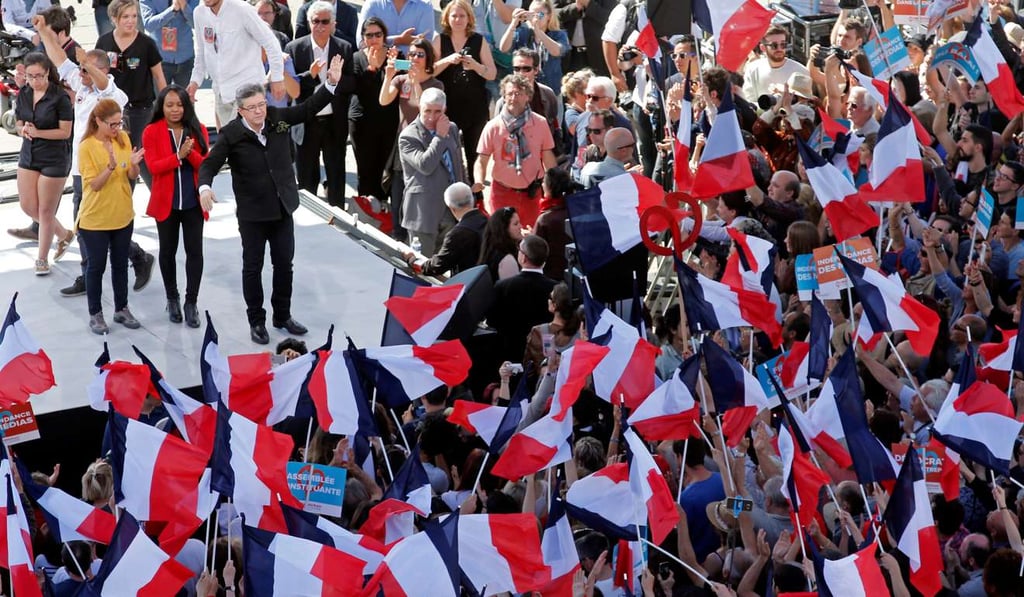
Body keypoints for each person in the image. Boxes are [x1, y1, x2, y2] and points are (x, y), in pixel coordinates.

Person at [197, 56, 344, 345]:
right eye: (252, 108)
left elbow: (306, 109)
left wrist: (331, 83)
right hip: (253, 214)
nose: (259, 112)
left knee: (284, 265)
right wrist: (204, 187)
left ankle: (283, 315)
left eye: (262, 105)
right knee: (252, 267)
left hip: (282, 208)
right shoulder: (232, 134)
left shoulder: (276, 119)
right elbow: (209, 164)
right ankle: (256, 321)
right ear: (240, 111)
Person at [37, 18, 133, 298]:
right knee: (84, 224)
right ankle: (90, 272)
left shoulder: (113, 93)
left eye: (86, 70)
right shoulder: (83, 86)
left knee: (105, 225)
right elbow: (59, 60)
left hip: (108, 171)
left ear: (100, 69)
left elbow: (101, 83)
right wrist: (44, 31)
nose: (80, 74)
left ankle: (127, 259)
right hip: (82, 170)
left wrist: (86, 63)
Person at [142, 85, 209, 328]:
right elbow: (153, 167)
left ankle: (191, 302)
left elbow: (205, 165)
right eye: (169, 105)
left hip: (192, 203)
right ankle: (172, 298)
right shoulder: (151, 131)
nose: (175, 110)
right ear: (161, 106)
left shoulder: (197, 130)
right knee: (167, 252)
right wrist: (179, 156)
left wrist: (190, 155)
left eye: (179, 105)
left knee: (195, 252)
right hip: (166, 203)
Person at [78, 99, 147, 334]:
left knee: (120, 265)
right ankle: (95, 313)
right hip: (95, 219)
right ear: (97, 121)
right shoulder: (86, 146)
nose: (117, 128)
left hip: (123, 214)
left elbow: (130, 174)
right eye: (112, 124)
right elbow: (94, 186)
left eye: (120, 123)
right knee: (96, 267)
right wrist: (109, 165)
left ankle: (122, 308)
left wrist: (135, 165)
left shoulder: (123, 139)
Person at [287, 0, 356, 209]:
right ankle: (308, 217)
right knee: (307, 179)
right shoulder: (295, 48)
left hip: (334, 121)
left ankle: (339, 221)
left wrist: (334, 80)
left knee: (336, 177)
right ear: (309, 23)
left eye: (325, 21)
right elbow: (291, 86)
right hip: (306, 122)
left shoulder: (344, 47)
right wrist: (312, 75)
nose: (320, 26)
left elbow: (353, 82)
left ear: (333, 24)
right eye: (315, 21)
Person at [14, 52, 73, 276]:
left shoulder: (59, 97)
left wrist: (39, 132)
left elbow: (64, 132)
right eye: (30, 76)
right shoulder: (24, 93)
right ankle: (64, 234)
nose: (34, 81)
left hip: (54, 157)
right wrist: (24, 130)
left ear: (48, 72)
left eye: (39, 76)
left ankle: (41, 258)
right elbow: (18, 123)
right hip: (29, 154)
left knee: (45, 210)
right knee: (29, 207)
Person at [380, 38, 444, 241]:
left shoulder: (436, 84)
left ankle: (416, 238)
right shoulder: (401, 79)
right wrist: (389, 75)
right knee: (398, 195)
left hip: (425, 145)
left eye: (420, 55)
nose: (415, 58)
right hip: (404, 145)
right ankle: (398, 236)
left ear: (428, 58)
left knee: (419, 194)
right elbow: (383, 100)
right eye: (412, 54)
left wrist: (416, 82)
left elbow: (421, 108)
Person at [474, 74, 557, 228]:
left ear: (528, 96)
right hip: (502, 194)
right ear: (504, 97)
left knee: (531, 239)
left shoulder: (540, 123)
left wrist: (555, 183)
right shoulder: (493, 126)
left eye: (518, 93)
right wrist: (479, 180)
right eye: (509, 94)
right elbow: (482, 159)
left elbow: (547, 156)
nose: (513, 98)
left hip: (532, 195)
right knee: (502, 238)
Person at [188, 0, 286, 128]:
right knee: (228, 142)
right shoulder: (199, 13)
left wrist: (277, 78)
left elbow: (271, 43)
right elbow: (202, 52)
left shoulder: (242, 9)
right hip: (221, 91)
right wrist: (195, 81)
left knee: (245, 142)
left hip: (248, 88)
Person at [95, 0, 167, 168]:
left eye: (134, 16)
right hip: (112, 110)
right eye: (125, 17)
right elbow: (97, 74)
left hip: (140, 109)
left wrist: (164, 107)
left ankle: (158, 192)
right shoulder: (104, 42)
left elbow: (159, 76)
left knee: (139, 157)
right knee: (117, 157)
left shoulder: (146, 43)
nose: (131, 21)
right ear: (114, 18)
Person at [432, 0, 495, 189]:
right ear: (446, 18)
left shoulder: (478, 40)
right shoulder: (440, 40)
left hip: (475, 106)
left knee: (474, 153)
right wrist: (447, 60)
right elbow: (429, 71)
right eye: (454, 16)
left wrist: (475, 65)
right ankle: (450, 192)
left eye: (462, 16)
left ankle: (476, 194)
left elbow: (491, 73)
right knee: (448, 152)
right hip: (447, 106)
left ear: (469, 18)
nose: (458, 19)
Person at [397, 88, 467, 256]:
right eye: (427, 110)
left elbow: (458, 163)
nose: (431, 117)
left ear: (444, 110)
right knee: (423, 265)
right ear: (420, 108)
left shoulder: (451, 128)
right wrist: (440, 137)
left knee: (444, 266)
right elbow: (425, 165)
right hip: (423, 213)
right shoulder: (409, 136)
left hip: (452, 210)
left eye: (437, 112)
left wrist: (466, 192)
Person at [350, 17, 399, 205]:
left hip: (388, 121)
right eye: (369, 35)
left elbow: (407, 79)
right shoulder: (356, 58)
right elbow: (356, 88)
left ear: (384, 35)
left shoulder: (396, 57)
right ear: (363, 37)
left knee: (384, 168)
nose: (374, 39)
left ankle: (383, 209)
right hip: (362, 122)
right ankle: (365, 208)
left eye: (378, 34)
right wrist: (371, 69)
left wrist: (395, 65)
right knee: (365, 170)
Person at [486, 234, 557, 362]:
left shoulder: (502, 286)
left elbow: (492, 321)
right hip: (545, 353)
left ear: (523, 257)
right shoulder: (555, 288)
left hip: (511, 352)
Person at [407, 181, 488, 276]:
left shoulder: (457, 234)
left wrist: (412, 260)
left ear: (452, 208)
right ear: (472, 200)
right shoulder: (489, 221)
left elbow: (436, 266)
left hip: (469, 284)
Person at [497, 0, 568, 95]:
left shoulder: (558, 35)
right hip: (524, 91)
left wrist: (538, 31)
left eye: (540, 15)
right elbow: (503, 48)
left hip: (551, 91)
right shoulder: (522, 33)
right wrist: (513, 24)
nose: (536, 18)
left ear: (549, 16)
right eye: (532, 14)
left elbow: (557, 51)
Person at [139, 0, 199, 87]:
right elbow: (149, 25)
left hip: (185, 58)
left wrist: (184, 6)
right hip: (159, 60)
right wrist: (172, 10)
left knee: (185, 99)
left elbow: (196, 23)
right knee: (159, 99)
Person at [533, 166, 573, 280]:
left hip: (553, 276)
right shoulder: (575, 208)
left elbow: (535, 249)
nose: (541, 185)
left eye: (544, 182)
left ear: (550, 187)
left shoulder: (545, 220)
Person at [356, 0, 435, 53]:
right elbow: (362, 43)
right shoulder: (372, 4)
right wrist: (398, 40)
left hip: (410, 66)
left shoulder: (425, 5)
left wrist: (382, 40)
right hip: (377, 64)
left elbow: (426, 44)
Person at [478, 205, 524, 281]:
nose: (521, 226)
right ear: (504, 229)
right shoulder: (507, 259)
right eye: (516, 224)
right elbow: (514, 289)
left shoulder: (492, 249)